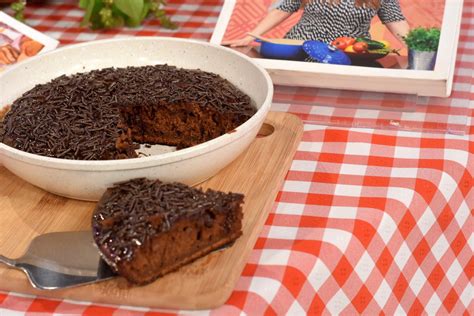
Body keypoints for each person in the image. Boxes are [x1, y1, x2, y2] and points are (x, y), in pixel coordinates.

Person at [223, 0, 410, 48]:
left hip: (349, 54)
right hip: (300, 48)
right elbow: (283, 9)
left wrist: (418, 49)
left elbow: (396, 21)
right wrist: (250, 37)